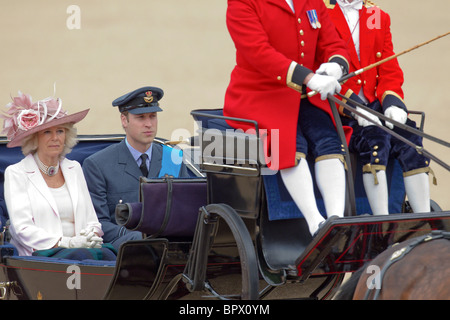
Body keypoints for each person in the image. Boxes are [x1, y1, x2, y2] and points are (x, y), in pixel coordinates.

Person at [223, 0, 352, 235]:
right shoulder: (242, 3)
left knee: (329, 140)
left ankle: (336, 220)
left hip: (305, 95)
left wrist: (335, 64)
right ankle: (315, 222)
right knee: (291, 144)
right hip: (260, 94)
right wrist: (308, 77)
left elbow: (333, 42)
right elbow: (258, 52)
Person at [324, 0, 433, 215]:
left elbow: (388, 66)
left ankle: (424, 218)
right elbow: (321, 70)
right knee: (375, 141)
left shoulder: (377, 15)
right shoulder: (319, 12)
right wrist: (352, 105)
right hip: (338, 106)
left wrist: (393, 102)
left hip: (375, 104)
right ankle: (381, 220)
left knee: (411, 139)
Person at [1, 91, 111, 258]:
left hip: (82, 252)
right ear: (33, 138)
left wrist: (90, 237)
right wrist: (67, 243)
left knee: (114, 255)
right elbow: (22, 230)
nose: (55, 138)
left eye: (60, 131)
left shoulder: (74, 168)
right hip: (40, 256)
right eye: (47, 132)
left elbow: (92, 221)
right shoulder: (16, 173)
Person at [82, 86, 189, 250]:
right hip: (126, 251)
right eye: (141, 117)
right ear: (124, 120)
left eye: (153, 116)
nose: (149, 124)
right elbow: (97, 223)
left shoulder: (173, 158)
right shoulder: (98, 165)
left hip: (172, 249)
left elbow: (186, 210)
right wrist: (141, 238)